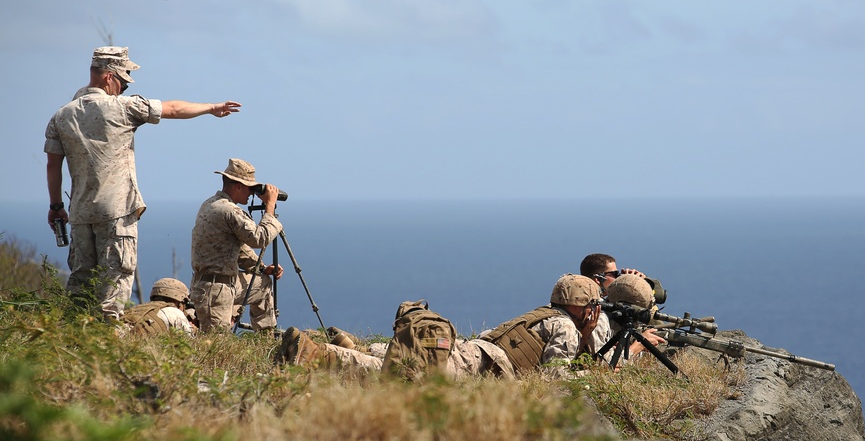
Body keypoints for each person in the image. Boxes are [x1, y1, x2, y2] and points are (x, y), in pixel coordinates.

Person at [44, 46, 241, 320]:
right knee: (113, 289)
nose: (124, 88)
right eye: (124, 81)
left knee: (81, 287)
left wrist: (56, 206)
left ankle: (72, 344)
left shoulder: (61, 116)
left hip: (79, 214)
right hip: (117, 214)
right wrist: (211, 108)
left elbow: (53, 166)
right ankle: (107, 346)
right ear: (109, 76)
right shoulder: (123, 108)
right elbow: (172, 109)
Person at [276, 274, 606, 380]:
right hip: (480, 364)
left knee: (405, 361)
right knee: (403, 375)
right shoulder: (565, 327)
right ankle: (314, 353)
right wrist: (594, 372)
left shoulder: (544, 314)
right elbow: (555, 376)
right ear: (584, 306)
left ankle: (353, 349)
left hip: (474, 351)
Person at [190, 159, 282, 332]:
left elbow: (236, 248)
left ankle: (264, 341)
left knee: (262, 285)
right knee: (215, 348)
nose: (251, 194)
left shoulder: (210, 204)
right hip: (215, 290)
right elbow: (259, 239)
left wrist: (261, 268)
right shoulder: (230, 211)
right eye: (250, 188)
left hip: (219, 284)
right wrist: (270, 207)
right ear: (238, 186)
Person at [579, 253, 667, 357]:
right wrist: (637, 346)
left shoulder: (601, 302)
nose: (619, 278)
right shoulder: (595, 311)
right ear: (598, 279)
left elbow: (656, 323)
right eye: (614, 274)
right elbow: (604, 363)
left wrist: (639, 288)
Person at [118, 277, 196, 337]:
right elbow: (188, 340)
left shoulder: (139, 309)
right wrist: (194, 330)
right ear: (180, 301)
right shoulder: (174, 312)